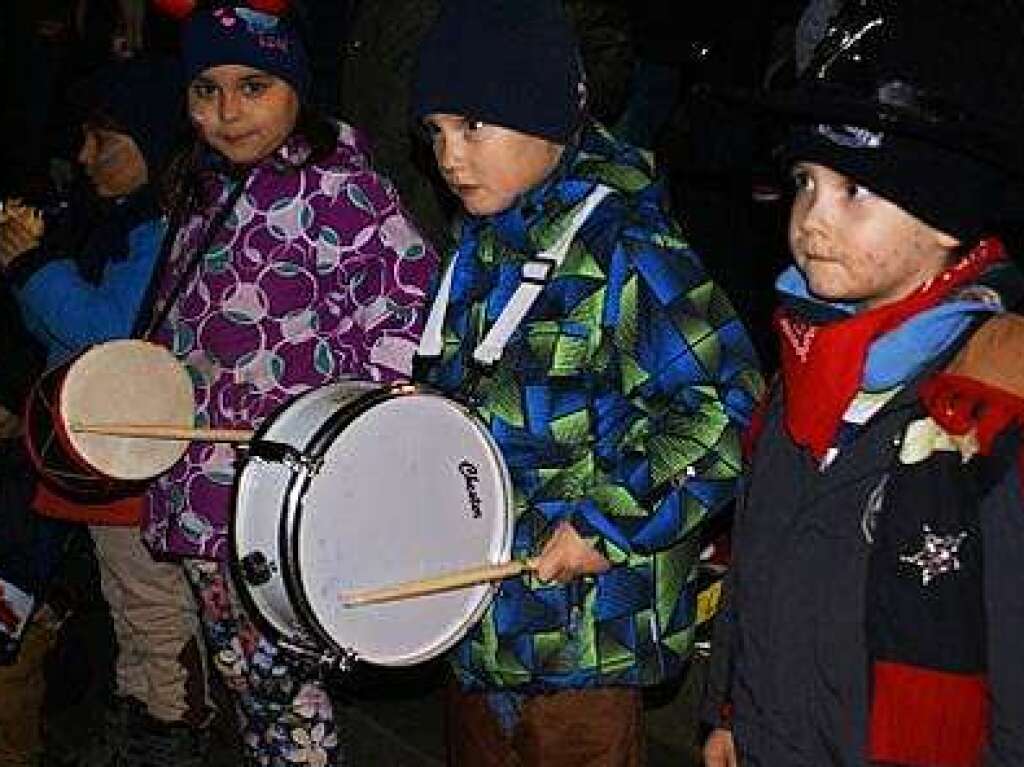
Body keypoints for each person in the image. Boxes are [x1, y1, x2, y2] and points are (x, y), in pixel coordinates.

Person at [410, 1, 762, 763]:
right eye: (434, 131)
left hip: (582, 637)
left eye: (472, 126)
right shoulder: (480, 246)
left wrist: (608, 523)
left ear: (549, 115)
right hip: (475, 622)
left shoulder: (630, 249)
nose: (449, 156)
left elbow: (724, 411)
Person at [701, 1, 1024, 765]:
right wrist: (729, 706)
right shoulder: (805, 361)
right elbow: (758, 552)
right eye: (805, 182)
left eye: (855, 191)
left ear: (946, 220)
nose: (812, 217)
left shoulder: (990, 406)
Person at [141, 5, 438, 765]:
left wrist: (346, 443)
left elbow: (406, 316)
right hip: (203, 485)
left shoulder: (341, 191)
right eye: (204, 90)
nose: (227, 110)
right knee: (247, 676)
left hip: (281, 495)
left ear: (296, 90)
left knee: (283, 686)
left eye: (253, 86)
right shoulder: (204, 188)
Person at [0, 56, 215, 766]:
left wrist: (31, 268)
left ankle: (172, 724)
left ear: (152, 142)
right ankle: (139, 717)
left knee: (151, 603)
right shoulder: (120, 221)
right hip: (100, 447)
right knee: (127, 599)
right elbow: (61, 334)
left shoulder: (162, 229)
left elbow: (108, 335)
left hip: (134, 448)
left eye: (105, 140)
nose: (85, 156)